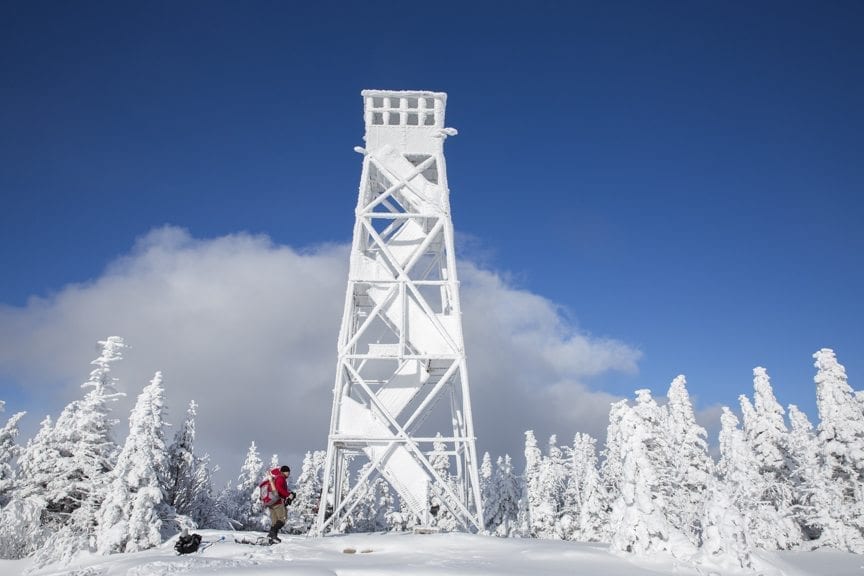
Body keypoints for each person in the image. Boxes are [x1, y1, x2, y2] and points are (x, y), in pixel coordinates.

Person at [266, 465, 294, 543]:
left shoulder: (276, 477)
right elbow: (279, 488)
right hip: (277, 502)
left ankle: (272, 537)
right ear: (284, 472)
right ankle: (272, 534)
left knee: (275, 521)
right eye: (287, 472)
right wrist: (288, 495)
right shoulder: (281, 478)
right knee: (283, 519)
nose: (288, 473)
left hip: (271, 502)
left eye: (289, 472)